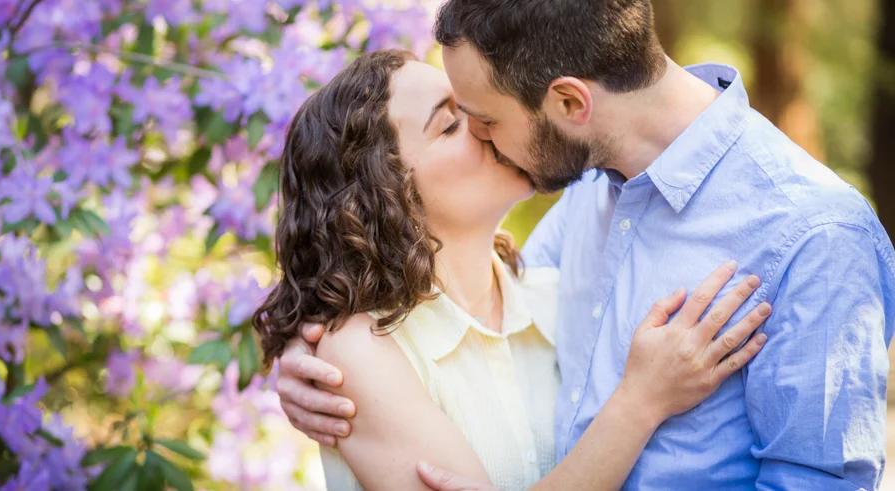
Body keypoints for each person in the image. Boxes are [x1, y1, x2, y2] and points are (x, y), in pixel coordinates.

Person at [275, 0, 895, 490]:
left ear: (570, 104)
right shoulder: (589, 196)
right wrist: (323, 361)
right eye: (456, 123)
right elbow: (462, 307)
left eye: (485, 119)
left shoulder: (816, 236)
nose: (483, 137)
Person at [253, 49, 771, 491]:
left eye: (474, 107)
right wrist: (641, 402)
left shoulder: (557, 292)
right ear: (382, 195)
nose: (485, 124)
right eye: (450, 124)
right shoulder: (361, 350)